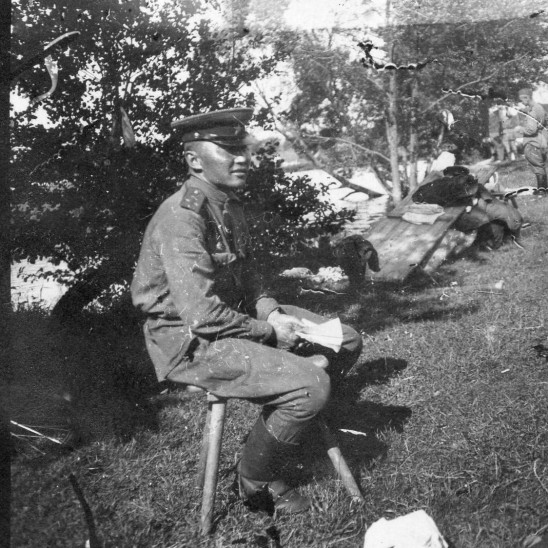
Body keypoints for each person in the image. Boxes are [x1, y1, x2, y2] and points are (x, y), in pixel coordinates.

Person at [130, 108, 363, 514]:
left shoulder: (228, 203)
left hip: (233, 321)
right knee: (311, 385)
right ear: (194, 160)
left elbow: (251, 276)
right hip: (191, 342)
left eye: (243, 149)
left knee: (346, 340)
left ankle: (285, 427)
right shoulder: (182, 218)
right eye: (228, 150)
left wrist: (271, 313)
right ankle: (255, 478)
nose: (243, 158)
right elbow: (201, 315)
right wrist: (270, 334)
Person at [517, 87, 548, 191]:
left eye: (521, 100)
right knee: (541, 166)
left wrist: (519, 129)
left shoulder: (532, 111)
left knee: (537, 167)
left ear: (526, 97)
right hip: (541, 141)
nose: (521, 102)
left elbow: (531, 130)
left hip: (532, 143)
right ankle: (544, 189)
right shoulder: (539, 108)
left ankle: (541, 191)